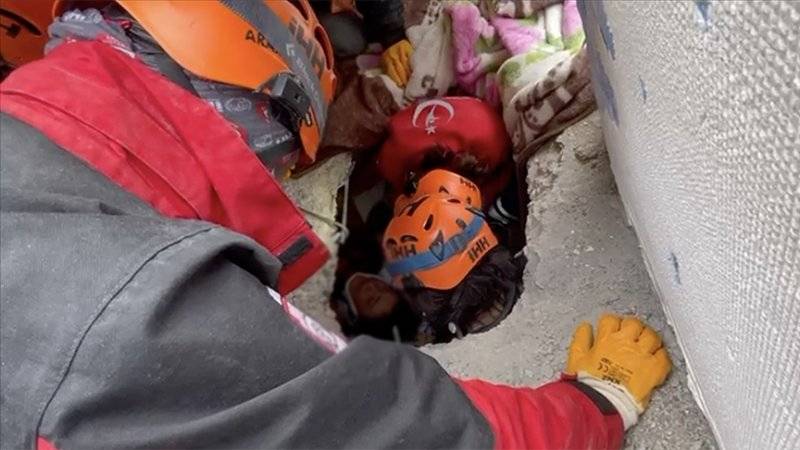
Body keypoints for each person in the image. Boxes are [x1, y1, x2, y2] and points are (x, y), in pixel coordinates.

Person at [1, 2, 672, 449]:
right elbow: (393, 427)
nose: (283, 179)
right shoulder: (149, 313)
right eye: (284, 165)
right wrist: (596, 401)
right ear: (261, 115)